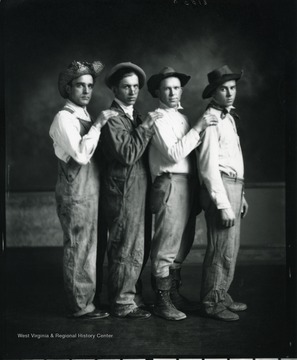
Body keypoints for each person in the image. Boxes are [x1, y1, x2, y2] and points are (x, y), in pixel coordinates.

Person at [147, 66, 218, 321]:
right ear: (157, 91)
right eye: (167, 88)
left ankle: (174, 293)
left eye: (176, 87)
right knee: (166, 243)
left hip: (187, 183)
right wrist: (198, 127)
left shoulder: (181, 118)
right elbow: (175, 154)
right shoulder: (156, 118)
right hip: (170, 183)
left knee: (184, 242)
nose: (173, 92)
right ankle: (161, 301)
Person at [49, 60, 117, 319]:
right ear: (68, 89)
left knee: (91, 248)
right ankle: (80, 307)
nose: (87, 91)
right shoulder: (64, 118)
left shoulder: (84, 116)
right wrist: (99, 125)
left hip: (91, 192)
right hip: (75, 194)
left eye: (90, 85)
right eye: (80, 85)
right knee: (79, 247)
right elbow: (79, 154)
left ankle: (91, 300)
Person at [100, 62, 162, 319]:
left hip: (139, 189)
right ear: (115, 88)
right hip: (122, 192)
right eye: (127, 86)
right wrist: (147, 126)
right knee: (125, 245)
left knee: (139, 246)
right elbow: (127, 154)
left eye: (136, 86)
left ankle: (132, 297)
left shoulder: (134, 117)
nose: (133, 91)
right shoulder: (112, 119)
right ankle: (121, 302)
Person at [196, 65, 249, 322]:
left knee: (231, 247)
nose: (229, 93)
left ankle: (222, 294)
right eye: (223, 89)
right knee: (220, 249)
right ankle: (211, 302)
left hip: (234, 186)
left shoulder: (228, 117)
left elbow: (233, 159)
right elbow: (208, 167)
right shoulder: (212, 120)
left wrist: (242, 195)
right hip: (221, 188)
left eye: (233, 88)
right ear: (213, 93)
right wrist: (223, 203)